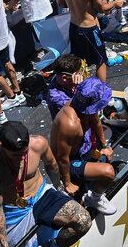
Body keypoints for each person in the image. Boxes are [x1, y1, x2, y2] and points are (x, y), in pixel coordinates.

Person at [0, 121, 91, 247]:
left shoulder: (38, 144)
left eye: (24, 153)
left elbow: (52, 165)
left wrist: (61, 189)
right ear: (3, 147)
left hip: (41, 195)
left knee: (83, 220)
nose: (21, 158)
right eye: (16, 155)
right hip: (15, 210)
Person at [50, 78, 117, 215]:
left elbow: (97, 124)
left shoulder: (87, 108)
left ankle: (93, 195)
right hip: (70, 161)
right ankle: (94, 198)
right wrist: (68, 183)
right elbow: (62, 158)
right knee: (108, 172)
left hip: (85, 150)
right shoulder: (70, 123)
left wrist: (104, 145)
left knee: (105, 162)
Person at [60, 0, 124, 82]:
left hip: (74, 27)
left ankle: (79, 87)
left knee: (77, 60)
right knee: (100, 60)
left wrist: (78, 5)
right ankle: (102, 91)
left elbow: (62, 3)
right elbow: (102, 9)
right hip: (89, 29)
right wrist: (115, 3)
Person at [45, 54, 85, 119]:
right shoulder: (56, 97)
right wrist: (81, 89)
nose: (81, 76)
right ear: (64, 78)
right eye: (78, 74)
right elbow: (81, 110)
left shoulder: (61, 79)